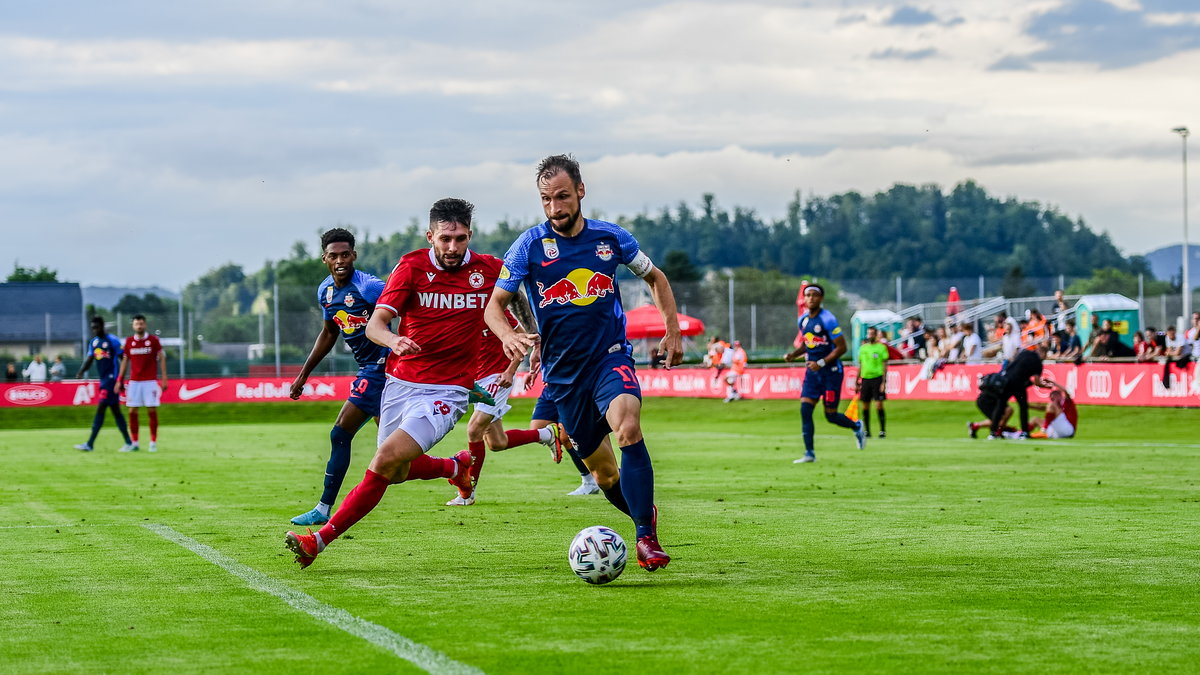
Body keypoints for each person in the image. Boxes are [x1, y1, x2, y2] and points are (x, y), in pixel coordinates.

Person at [484, 154, 682, 572]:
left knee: (628, 427)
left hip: (610, 359)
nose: (555, 208)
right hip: (563, 378)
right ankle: (643, 513)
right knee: (607, 475)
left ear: (580, 191)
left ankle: (646, 537)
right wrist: (509, 334)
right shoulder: (529, 245)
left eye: (562, 197)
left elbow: (655, 278)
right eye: (546, 199)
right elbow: (494, 306)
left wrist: (672, 329)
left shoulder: (611, 239)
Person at [284, 198, 499, 569]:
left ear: (470, 236)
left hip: (445, 390)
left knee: (382, 460)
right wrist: (393, 339)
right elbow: (374, 325)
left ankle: (318, 540)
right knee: (395, 472)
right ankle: (455, 468)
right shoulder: (410, 266)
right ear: (430, 235)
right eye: (445, 238)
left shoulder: (489, 270)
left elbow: (515, 298)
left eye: (460, 238)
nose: (452, 247)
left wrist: (527, 335)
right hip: (399, 383)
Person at [285, 228, 391, 527]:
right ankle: (454, 467)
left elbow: (404, 312)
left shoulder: (369, 287)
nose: (340, 260)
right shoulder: (325, 292)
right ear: (325, 259)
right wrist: (303, 375)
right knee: (393, 457)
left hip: (381, 366)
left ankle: (323, 508)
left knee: (340, 434)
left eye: (346, 254)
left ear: (354, 255)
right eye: (334, 256)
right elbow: (329, 332)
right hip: (369, 368)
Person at [445, 296, 572, 507]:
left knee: (473, 429)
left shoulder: (494, 310)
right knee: (497, 442)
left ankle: (467, 493)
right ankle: (547, 434)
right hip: (478, 379)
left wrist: (510, 372)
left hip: (497, 375)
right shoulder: (460, 310)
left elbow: (521, 336)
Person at [784, 284, 867, 463]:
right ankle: (809, 453)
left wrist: (821, 362)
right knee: (805, 410)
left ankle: (856, 426)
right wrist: (794, 355)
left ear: (821, 299)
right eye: (808, 295)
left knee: (830, 415)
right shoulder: (803, 320)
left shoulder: (828, 319)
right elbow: (809, 343)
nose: (811, 298)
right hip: (812, 374)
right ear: (804, 299)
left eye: (815, 295)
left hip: (831, 373)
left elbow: (842, 347)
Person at [74, 317, 134, 452]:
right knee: (116, 411)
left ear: (103, 326)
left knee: (101, 408)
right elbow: (90, 359)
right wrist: (81, 371)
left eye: (97, 327)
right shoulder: (94, 342)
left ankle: (90, 444)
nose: (95, 330)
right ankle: (129, 442)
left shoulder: (112, 340)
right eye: (93, 328)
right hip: (104, 380)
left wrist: (121, 379)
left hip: (111, 380)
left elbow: (123, 359)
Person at [116, 314, 168, 452]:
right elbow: (125, 361)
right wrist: (119, 380)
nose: (139, 326)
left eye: (141, 323)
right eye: (136, 324)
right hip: (134, 382)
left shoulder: (153, 341)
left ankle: (153, 442)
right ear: (133, 326)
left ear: (145, 325)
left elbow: (162, 358)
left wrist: (164, 378)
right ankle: (135, 442)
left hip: (150, 381)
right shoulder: (128, 342)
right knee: (132, 410)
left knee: (151, 410)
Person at [985, 344, 1050, 440]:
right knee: (1023, 407)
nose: (1045, 357)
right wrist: (1047, 386)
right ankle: (1024, 432)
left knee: (1000, 406)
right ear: (1043, 353)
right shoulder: (1037, 363)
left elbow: (1013, 361)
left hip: (1006, 381)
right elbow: (1037, 382)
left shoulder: (1024, 353)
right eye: (1045, 355)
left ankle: (993, 433)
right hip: (1018, 384)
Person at [856, 327, 888, 438]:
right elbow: (860, 365)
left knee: (879, 405)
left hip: (877, 378)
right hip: (865, 379)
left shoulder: (881, 348)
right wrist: (857, 381)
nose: (870, 336)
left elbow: (885, 365)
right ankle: (867, 431)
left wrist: (884, 382)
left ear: (876, 335)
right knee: (865, 406)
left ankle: (882, 430)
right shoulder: (863, 348)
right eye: (868, 334)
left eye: (872, 334)